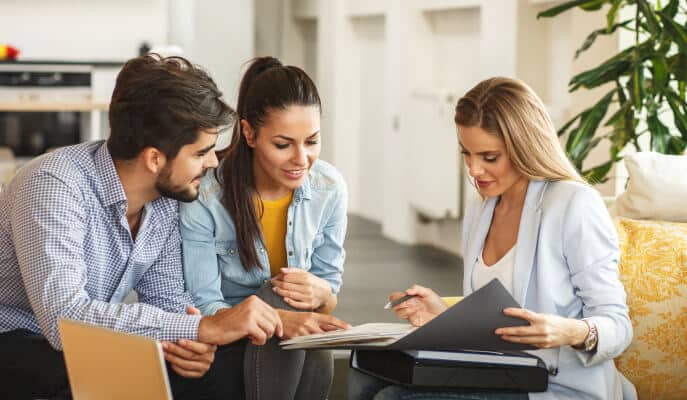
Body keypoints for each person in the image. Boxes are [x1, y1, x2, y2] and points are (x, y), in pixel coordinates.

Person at [0, 54, 284, 400]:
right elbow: (65, 320)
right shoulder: (53, 184)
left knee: (221, 366)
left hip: (96, 342)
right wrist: (202, 326)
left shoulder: (165, 200)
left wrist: (191, 343)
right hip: (16, 337)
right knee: (101, 376)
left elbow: (167, 300)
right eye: (201, 153)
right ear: (154, 159)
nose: (212, 162)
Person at [348, 77, 635, 400]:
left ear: (524, 146)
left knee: (394, 399)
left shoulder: (573, 204)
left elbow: (618, 326)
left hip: (555, 386)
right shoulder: (481, 211)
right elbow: (494, 325)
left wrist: (569, 331)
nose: (473, 170)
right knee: (364, 376)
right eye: (466, 154)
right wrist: (443, 314)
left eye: (489, 157)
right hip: (498, 375)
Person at [179, 56, 350, 400]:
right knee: (281, 296)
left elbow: (329, 293)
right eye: (283, 145)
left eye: (312, 141)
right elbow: (205, 304)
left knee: (302, 304)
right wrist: (279, 316)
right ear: (249, 133)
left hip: (293, 343)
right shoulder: (207, 197)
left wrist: (322, 294)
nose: (301, 159)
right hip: (230, 340)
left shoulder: (329, 187)